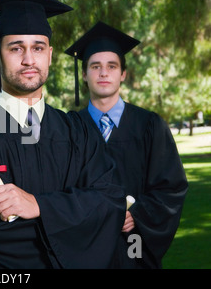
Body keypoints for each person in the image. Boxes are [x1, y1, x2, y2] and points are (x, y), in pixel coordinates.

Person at [0, 0, 127, 269]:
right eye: (16, 48)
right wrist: (71, 217)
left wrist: (39, 206)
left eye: (38, 48)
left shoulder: (77, 129)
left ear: (50, 55)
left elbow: (110, 201)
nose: (29, 59)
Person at [64, 21, 188, 268]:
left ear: (122, 74)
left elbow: (171, 188)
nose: (103, 73)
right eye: (95, 66)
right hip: (86, 251)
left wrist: (138, 215)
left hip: (135, 250)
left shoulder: (150, 126)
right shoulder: (69, 128)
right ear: (85, 74)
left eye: (112, 66)